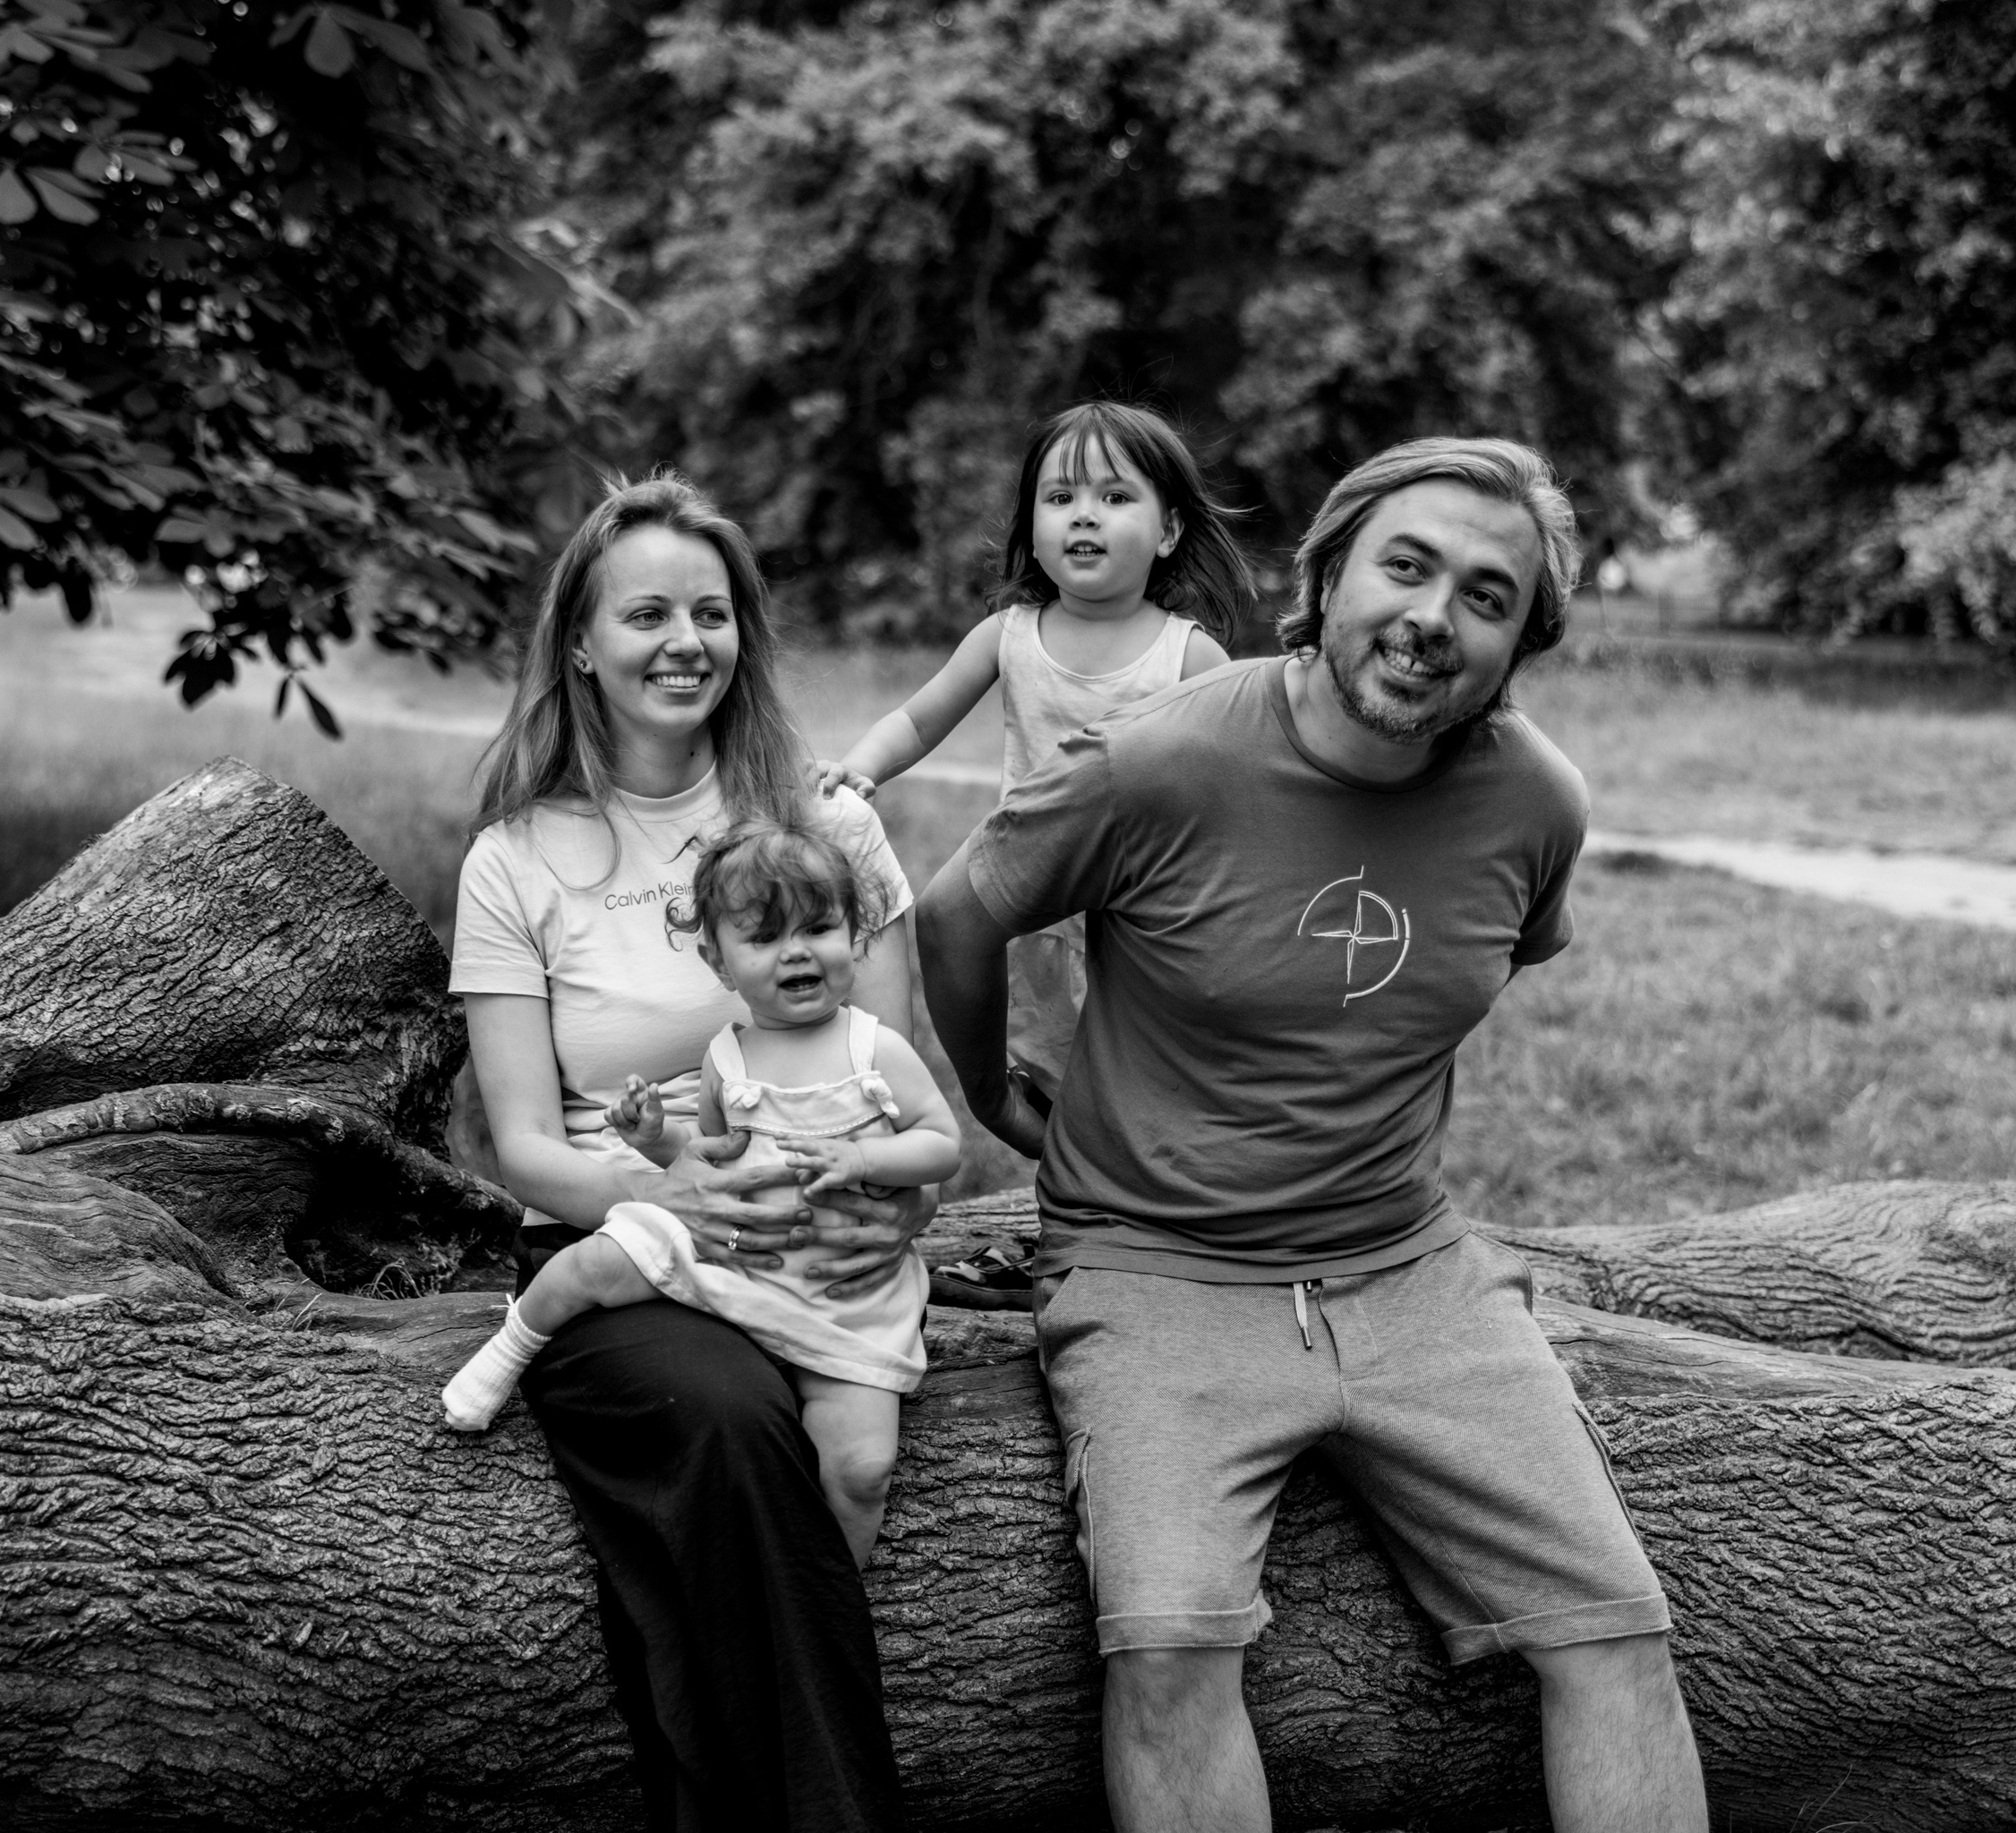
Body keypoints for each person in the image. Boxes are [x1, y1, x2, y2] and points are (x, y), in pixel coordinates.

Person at [917, 437, 1708, 1833]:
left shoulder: (1539, 804)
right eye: (1404, 567)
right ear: (1328, 573)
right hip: (1153, 1271)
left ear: (1523, 641)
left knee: (1617, 1631)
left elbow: (1474, 967)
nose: (1431, 618)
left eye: (1486, 596)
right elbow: (958, 911)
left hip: (1414, 1271)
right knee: (1166, 1649)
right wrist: (994, 1097)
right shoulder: (1161, 760)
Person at [446, 472, 927, 1831]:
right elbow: (528, 1145)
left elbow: (893, 1089)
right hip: (623, 1245)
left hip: (826, 1244)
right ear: (581, 645)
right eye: (646, 611)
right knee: (724, 1420)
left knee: (816, 1445)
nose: (685, 640)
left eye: (711, 612)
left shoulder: (827, 826)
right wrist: (668, 1190)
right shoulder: (517, 859)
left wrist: (864, 1211)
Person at [445, 817, 962, 1567]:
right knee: (603, 1259)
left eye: (819, 928)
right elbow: (709, 1158)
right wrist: (656, 1138)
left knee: (859, 1469)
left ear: (855, 937)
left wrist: (863, 1156)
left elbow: (942, 1143)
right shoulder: (728, 1058)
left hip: (841, 1287)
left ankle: (827, 1588)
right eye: (764, 937)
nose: (796, 952)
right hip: (738, 1257)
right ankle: (512, 1344)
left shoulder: (874, 1047)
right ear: (719, 963)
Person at [817, 401, 1251, 1104]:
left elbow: (1236, 781)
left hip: (1149, 905)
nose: (1085, 514)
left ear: (1168, 530)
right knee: (1055, 1065)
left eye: (1114, 497)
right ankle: (1062, 1157)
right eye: (1061, 497)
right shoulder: (1008, 635)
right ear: (1033, 528)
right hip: (1033, 893)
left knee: (1152, 1066)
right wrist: (860, 767)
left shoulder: (1190, 656)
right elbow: (920, 720)